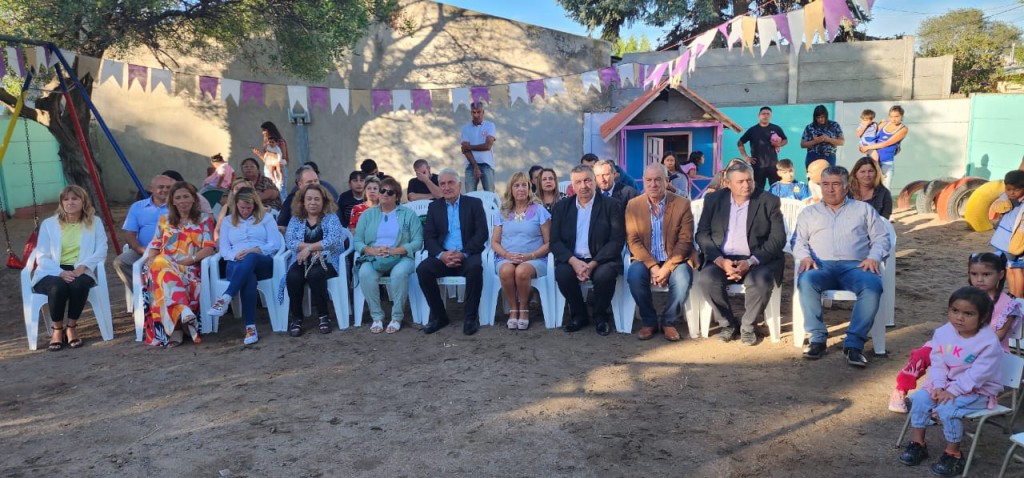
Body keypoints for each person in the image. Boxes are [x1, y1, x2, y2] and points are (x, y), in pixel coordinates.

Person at [888, 253, 1022, 413]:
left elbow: (998, 336)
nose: (979, 279)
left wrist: (963, 345)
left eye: (986, 274)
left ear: (1000, 275)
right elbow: (952, 326)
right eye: (974, 274)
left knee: (953, 360)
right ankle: (901, 389)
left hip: (983, 350)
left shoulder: (1008, 304)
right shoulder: (965, 296)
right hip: (955, 342)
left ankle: (944, 401)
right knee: (923, 353)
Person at [897, 287, 1004, 477]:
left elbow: (977, 375)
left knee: (947, 409)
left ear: (983, 317)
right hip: (945, 384)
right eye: (955, 310)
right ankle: (918, 444)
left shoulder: (988, 342)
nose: (959, 318)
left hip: (977, 390)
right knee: (920, 399)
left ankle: (953, 454)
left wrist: (952, 391)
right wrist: (938, 385)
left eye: (968, 314)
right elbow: (938, 361)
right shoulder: (943, 332)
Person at [794, 166, 891, 366]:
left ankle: (854, 345)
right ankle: (817, 338)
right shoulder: (809, 213)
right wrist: (804, 257)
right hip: (820, 266)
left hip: (856, 266)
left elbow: (881, 238)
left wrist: (873, 257)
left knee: (872, 286)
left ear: (846, 187)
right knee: (806, 280)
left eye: (836, 184)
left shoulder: (863, 209)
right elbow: (798, 241)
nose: (830, 189)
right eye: (825, 184)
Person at [695, 161, 786, 346]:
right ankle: (727, 323)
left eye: (749, 180)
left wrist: (751, 261)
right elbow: (702, 234)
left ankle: (748, 326)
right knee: (707, 279)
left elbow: (778, 239)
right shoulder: (713, 200)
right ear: (728, 184)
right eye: (740, 181)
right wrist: (720, 260)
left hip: (757, 259)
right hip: (722, 258)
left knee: (761, 281)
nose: (746, 185)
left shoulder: (768, 201)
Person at [550, 164, 626, 336]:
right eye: (578, 182)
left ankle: (600, 316)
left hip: (601, 259)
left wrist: (593, 264)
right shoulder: (562, 207)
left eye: (587, 180)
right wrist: (574, 262)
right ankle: (579, 315)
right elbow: (555, 242)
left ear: (594, 181)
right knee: (563, 274)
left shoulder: (611, 205)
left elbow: (616, 240)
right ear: (572, 185)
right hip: (573, 259)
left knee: (605, 276)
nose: (583, 186)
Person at [30, 185, 108, 351]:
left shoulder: (94, 222)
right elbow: (42, 255)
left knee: (78, 285)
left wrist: (83, 267)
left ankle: (71, 327)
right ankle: (57, 330)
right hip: (51, 270)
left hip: (81, 268)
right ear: (61, 203)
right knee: (57, 287)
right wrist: (60, 272)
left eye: (74, 199)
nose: (70, 202)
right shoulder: (49, 224)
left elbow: (102, 249)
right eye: (66, 199)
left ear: (83, 201)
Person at [625, 164, 694, 341]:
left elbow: (685, 240)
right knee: (634, 276)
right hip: (646, 259)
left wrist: (667, 268)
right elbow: (633, 240)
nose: (653, 184)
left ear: (666, 181)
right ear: (643, 181)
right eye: (649, 180)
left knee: (683, 279)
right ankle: (649, 322)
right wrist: (654, 267)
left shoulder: (682, 204)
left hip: (675, 259)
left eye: (658, 179)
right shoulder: (633, 205)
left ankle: (668, 322)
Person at [142, 182, 215, 347]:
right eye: (178, 198)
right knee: (160, 263)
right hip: (164, 265)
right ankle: (183, 312)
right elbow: (155, 245)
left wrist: (190, 259)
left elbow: (209, 248)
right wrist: (151, 259)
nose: (182, 201)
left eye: (186, 196)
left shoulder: (204, 219)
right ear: (172, 201)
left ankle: (177, 326)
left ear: (194, 199)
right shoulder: (164, 220)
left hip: (190, 267)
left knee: (161, 270)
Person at [417, 169, 489, 335]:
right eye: (442, 184)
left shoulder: (474, 203)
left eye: (450, 183)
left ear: (459, 185)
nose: (446, 187)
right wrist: (442, 255)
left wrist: (463, 253)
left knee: (475, 269)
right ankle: (439, 317)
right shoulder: (434, 207)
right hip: (443, 256)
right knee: (423, 270)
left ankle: (471, 318)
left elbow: (481, 233)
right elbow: (429, 237)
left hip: (467, 254)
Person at [207, 188, 283, 345]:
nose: (246, 211)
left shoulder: (266, 218)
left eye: (249, 207)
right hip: (236, 263)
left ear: (255, 205)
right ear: (236, 205)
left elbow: (275, 244)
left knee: (251, 256)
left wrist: (257, 250)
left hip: (261, 261)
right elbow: (224, 249)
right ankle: (250, 329)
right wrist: (235, 255)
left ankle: (226, 297)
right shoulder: (228, 221)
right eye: (242, 207)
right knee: (249, 276)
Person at [355, 177, 423, 334]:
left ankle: (397, 317)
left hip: (401, 256)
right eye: (382, 190)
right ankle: (377, 317)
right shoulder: (368, 215)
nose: (385, 194)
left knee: (399, 273)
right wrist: (370, 250)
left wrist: (395, 251)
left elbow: (417, 241)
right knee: (365, 273)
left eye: (390, 192)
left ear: (396, 196)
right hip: (374, 256)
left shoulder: (408, 214)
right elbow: (357, 240)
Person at [282, 184, 344, 337]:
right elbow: (290, 241)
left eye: (317, 199)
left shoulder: (331, 218)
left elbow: (333, 240)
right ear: (303, 201)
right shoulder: (296, 219)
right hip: (301, 260)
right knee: (293, 276)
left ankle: (324, 316)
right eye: (309, 199)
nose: (313, 202)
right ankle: (296, 318)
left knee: (315, 274)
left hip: (327, 260)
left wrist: (309, 248)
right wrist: (311, 249)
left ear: (323, 201)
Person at [492, 172, 551, 330]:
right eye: (516, 185)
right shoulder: (503, 212)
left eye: (524, 185)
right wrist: (506, 255)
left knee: (522, 271)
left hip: (535, 259)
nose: (521, 189)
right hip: (506, 258)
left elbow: (549, 243)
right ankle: (514, 308)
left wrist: (530, 256)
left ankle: (524, 308)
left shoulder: (539, 210)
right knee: (506, 270)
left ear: (529, 188)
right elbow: (495, 242)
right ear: (511, 189)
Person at [113, 174, 173, 293]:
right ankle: (141, 295)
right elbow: (129, 234)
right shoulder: (137, 207)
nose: (165, 190)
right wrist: (140, 249)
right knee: (121, 262)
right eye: (161, 187)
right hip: (143, 250)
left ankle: (161, 295)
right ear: (151, 188)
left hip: (171, 251)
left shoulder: (177, 206)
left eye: (168, 187)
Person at [989, 170, 1024, 298]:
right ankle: (1013, 293)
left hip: (1017, 241)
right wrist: (1007, 203)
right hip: (1003, 240)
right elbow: (996, 207)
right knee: (1008, 267)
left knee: (1018, 268)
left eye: (1016, 190)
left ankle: (1019, 296)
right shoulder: (1005, 197)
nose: (1012, 193)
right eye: (1008, 189)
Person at [737, 106, 788, 189]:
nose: (765, 116)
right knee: (757, 189)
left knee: (777, 188)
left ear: (771, 116)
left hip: (773, 165)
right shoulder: (752, 130)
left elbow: (785, 140)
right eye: (763, 114)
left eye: (768, 114)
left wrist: (779, 144)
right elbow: (740, 142)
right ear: (759, 116)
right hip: (758, 166)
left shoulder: (776, 128)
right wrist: (746, 157)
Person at [860, 105, 908, 188]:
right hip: (872, 161)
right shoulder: (884, 124)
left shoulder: (903, 129)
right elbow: (869, 135)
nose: (893, 119)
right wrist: (863, 146)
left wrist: (867, 147)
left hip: (886, 162)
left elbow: (886, 143)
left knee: (885, 189)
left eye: (896, 116)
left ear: (902, 116)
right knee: (869, 188)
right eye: (891, 116)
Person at [460, 102, 497, 192]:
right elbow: (465, 150)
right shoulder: (465, 128)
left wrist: (469, 147)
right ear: (471, 113)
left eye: (479, 112)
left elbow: (488, 146)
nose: (476, 115)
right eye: (474, 112)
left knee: (490, 194)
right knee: (470, 195)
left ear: (483, 112)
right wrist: (475, 167)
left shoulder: (490, 126)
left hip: (487, 164)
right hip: (470, 165)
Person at [276, 165, 321, 232]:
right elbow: (281, 225)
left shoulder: (326, 198)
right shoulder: (291, 200)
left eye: (316, 181)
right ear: (300, 185)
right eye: (309, 182)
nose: (314, 184)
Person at [567, 154, 636, 197]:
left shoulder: (629, 190)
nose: (602, 179)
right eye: (598, 175)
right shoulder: (588, 191)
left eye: (606, 175)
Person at [251, 121, 289, 193]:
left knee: (281, 191)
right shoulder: (266, 144)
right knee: (270, 190)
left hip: (278, 168)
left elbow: (283, 158)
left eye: (265, 130)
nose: (263, 133)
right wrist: (259, 154)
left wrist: (271, 155)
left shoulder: (280, 142)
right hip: (268, 168)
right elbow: (266, 160)